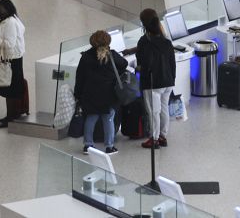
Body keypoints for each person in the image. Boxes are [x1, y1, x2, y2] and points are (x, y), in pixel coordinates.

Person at [74, 30, 128, 155]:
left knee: (91, 119)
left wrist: (78, 94)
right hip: (108, 95)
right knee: (108, 119)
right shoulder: (112, 55)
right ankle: (109, 146)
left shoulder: (86, 56)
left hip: (90, 94)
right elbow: (124, 64)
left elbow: (80, 77)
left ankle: (88, 145)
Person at [135, 8, 176, 149]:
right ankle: (163, 136)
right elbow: (172, 62)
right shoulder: (166, 41)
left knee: (153, 111)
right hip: (168, 81)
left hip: (153, 83)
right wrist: (172, 78)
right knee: (164, 109)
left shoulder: (144, 41)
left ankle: (154, 139)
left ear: (144, 24)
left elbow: (141, 62)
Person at [0, 0, 28, 128]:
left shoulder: (10, 23)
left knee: (9, 89)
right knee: (12, 88)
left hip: (11, 59)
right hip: (13, 58)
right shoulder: (11, 19)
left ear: (7, 10)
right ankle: (14, 113)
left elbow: (9, 44)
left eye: (0, 9)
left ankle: (11, 117)